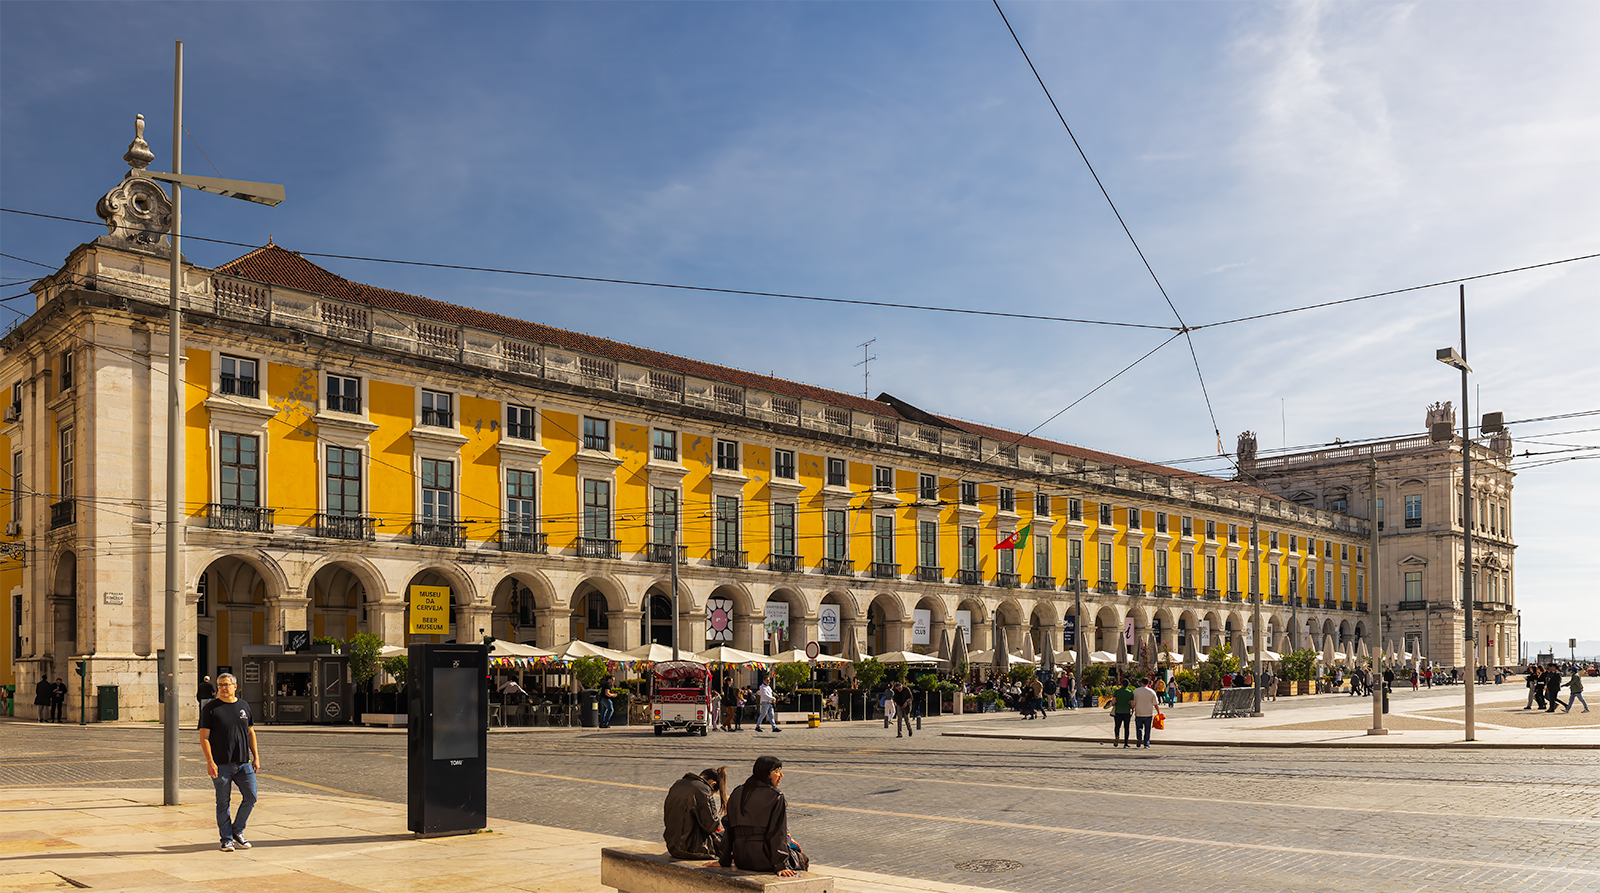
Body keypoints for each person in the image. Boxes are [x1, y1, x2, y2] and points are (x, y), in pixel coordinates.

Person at [198, 673, 260, 852]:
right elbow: (204, 737)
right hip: (221, 764)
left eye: (226, 684)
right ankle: (226, 839)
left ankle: (237, 830)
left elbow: (250, 732)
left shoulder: (244, 706)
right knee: (223, 802)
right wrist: (210, 761)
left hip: (243, 762)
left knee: (251, 797)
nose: (223, 688)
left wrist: (256, 756)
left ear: (235, 686)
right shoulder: (210, 708)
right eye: (220, 685)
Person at [716, 756, 806, 877]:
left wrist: (724, 860)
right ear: (766, 772)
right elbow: (777, 833)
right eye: (777, 771)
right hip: (764, 859)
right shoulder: (775, 796)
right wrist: (780, 865)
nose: (781, 775)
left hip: (741, 859)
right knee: (802, 859)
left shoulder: (737, 792)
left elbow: (729, 828)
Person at [664, 766, 727, 860]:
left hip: (673, 846)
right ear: (712, 784)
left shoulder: (678, 784)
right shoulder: (703, 790)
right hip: (692, 848)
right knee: (732, 834)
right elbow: (710, 826)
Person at [1107, 679, 1135, 748]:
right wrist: (1132, 709)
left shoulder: (1117, 692)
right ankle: (1126, 743)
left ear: (1121, 684)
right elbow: (1132, 704)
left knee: (1117, 726)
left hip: (1118, 711)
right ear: (1128, 685)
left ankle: (1117, 736)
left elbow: (1113, 702)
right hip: (1126, 712)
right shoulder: (1130, 693)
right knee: (1126, 728)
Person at [1132, 678, 1159, 748]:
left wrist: (1132, 709)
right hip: (1148, 713)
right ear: (1148, 683)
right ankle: (1146, 743)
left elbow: (1133, 702)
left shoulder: (1136, 691)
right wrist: (1158, 712)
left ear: (1141, 683)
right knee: (1147, 729)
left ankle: (1139, 738)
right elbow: (1155, 704)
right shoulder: (1151, 692)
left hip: (1139, 712)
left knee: (1139, 727)